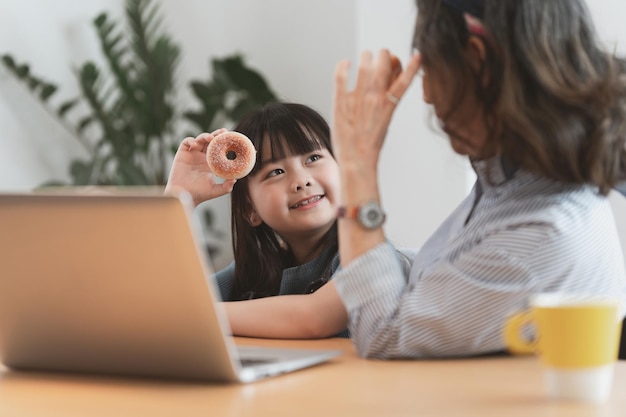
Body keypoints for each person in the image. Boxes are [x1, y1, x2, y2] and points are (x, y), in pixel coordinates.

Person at [224, 0, 626, 359]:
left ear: (477, 60)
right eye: (275, 171)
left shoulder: (540, 230)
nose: (429, 96)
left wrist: (360, 164)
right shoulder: (505, 188)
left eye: (429, 68)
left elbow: (381, 332)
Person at [165, 102, 345, 307]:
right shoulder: (252, 273)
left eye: (313, 158)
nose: (302, 181)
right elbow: (168, 303)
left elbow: (315, 317)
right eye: (276, 172)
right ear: (250, 209)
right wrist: (178, 198)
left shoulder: (366, 254)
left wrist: (207, 314)